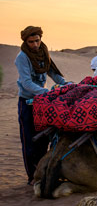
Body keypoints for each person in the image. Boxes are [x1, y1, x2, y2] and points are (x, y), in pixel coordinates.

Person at [15, 26, 67, 185]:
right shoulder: (22, 57)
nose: (35, 44)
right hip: (27, 102)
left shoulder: (44, 52)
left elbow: (54, 73)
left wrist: (66, 84)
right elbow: (27, 83)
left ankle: (44, 173)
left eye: (37, 40)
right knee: (29, 141)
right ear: (26, 41)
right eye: (31, 42)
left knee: (44, 139)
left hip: (42, 103)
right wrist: (46, 92)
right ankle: (32, 177)